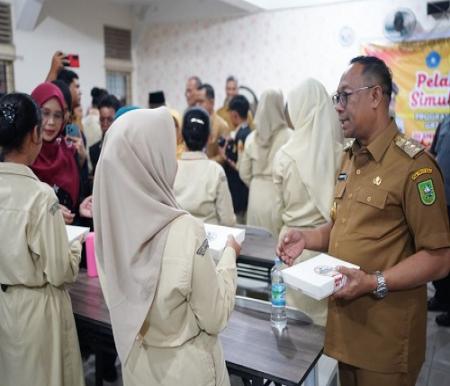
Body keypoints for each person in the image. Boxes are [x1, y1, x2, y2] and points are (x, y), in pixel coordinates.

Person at [277, 56, 450, 386]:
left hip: (386, 338)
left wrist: (375, 282)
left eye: (345, 96)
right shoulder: (350, 158)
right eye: (335, 98)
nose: (338, 107)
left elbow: (439, 258)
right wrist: (306, 237)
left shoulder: (415, 167)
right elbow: (343, 227)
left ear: (375, 96)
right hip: (346, 329)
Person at [93, 107, 240, 386]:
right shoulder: (185, 231)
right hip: (185, 369)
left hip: (137, 365)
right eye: (168, 152)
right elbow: (215, 315)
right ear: (151, 160)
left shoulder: (111, 226)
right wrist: (230, 255)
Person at [0, 92, 84, 386]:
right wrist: (73, 247)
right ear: (35, 133)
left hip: (5, 304)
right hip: (37, 311)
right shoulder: (39, 195)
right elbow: (60, 270)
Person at [271, 79, 342, 326]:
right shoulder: (342, 152)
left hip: (291, 246)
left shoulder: (284, 156)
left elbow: (277, 209)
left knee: (291, 322)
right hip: (330, 246)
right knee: (325, 326)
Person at [31, 82, 90, 225]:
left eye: (57, 115)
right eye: (45, 113)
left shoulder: (68, 152)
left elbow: (72, 205)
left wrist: (81, 207)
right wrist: (50, 212)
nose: (51, 122)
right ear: (33, 114)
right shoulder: (23, 155)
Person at [239, 89, 292, 236]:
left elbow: (244, 172)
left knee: (255, 243)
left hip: (255, 195)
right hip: (276, 195)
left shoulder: (251, 138)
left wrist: (257, 182)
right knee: (276, 244)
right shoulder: (289, 137)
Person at [174, 107, 235, 226]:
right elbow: (227, 220)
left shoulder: (171, 168)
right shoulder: (216, 171)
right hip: (209, 241)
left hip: (177, 239)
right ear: (209, 138)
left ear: (181, 135)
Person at [428, 114, 450, 326]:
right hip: (441, 200)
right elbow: (433, 153)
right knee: (439, 248)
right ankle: (442, 297)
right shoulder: (445, 122)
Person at [219, 94, 251, 223]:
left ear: (234, 115)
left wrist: (224, 156)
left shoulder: (242, 136)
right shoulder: (246, 132)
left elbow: (241, 167)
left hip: (238, 190)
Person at [196, 83, 231, 164]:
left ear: (211, 102)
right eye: (196, 102)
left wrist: (204, 164)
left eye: (201, 101)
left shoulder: (222, 125)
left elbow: (223, 156)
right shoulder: (196, 123)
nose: (197, 105)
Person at [89, 94, 121, 174]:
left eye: (110, 119)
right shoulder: (93, 150)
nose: (105, 124)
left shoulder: (124, 149)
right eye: (102, 119)